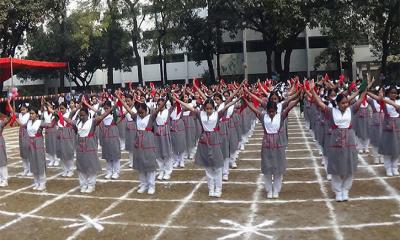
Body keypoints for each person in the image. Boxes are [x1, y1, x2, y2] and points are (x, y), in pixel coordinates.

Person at [307, 79, 369, 202]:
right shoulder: (331, 112)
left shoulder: (351, 110)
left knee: (349, 166)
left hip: (349, 142)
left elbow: (361, 99)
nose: (345, 105)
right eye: (342, 103)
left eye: (346, 102)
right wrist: (312, 91)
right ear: (337, 103)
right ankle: (338, 191)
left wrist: (366, 87)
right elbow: (319, 103)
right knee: (335, 167)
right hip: (335, 143)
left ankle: (345, 190)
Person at [173, 89, 241, 198]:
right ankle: (211, 188)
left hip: (215, 141)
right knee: (208, 167)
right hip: (204, 141)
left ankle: (218, 189)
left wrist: (238, 98)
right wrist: (177, 100)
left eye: (210, 108)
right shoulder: (200, 114)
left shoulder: (217, 114)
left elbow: (227, 105)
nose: (209, 110)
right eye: (207, 108)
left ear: (213, 108)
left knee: (217, 166)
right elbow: (189, 107)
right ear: (204, 108)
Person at [244, 88, 300, 199]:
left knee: (278, 169)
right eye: (269, 111)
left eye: (273, 112)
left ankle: (276, 190)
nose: (271, 114)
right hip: (266, 145)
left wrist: (299, 98)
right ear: (267, 110)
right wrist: (246, 100)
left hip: (278, 144)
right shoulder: (263, 116)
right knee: (267, 168)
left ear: (276, 111)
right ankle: (269, 190)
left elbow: (289, 107)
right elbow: (254, 109)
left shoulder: (281, 116)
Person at [118, 95, 167, 195]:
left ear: (146, 110)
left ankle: (151, 185)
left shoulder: (151, 117)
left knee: (149, 165)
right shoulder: (136, 117)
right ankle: (143, 184)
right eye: (139, 112)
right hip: (138, 142)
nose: (140, 114)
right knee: (140, 165)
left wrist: (167, 99)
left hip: (148, 142)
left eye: (142, 112)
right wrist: (120, 99)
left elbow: (159, 108)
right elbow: (128, 108)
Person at [63, 101, 112, 193]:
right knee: (81, 166)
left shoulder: (92, 122)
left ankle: (91, 185)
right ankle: (83, 184)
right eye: (80, 116)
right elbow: (69, 121)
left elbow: (102, 117)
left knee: (90, 166)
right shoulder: (77, 123)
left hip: (89, 146)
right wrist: (60, 116)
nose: (81, 117)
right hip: (80, 146)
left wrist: (111, 109)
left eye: (83, 115)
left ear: (87, 114)